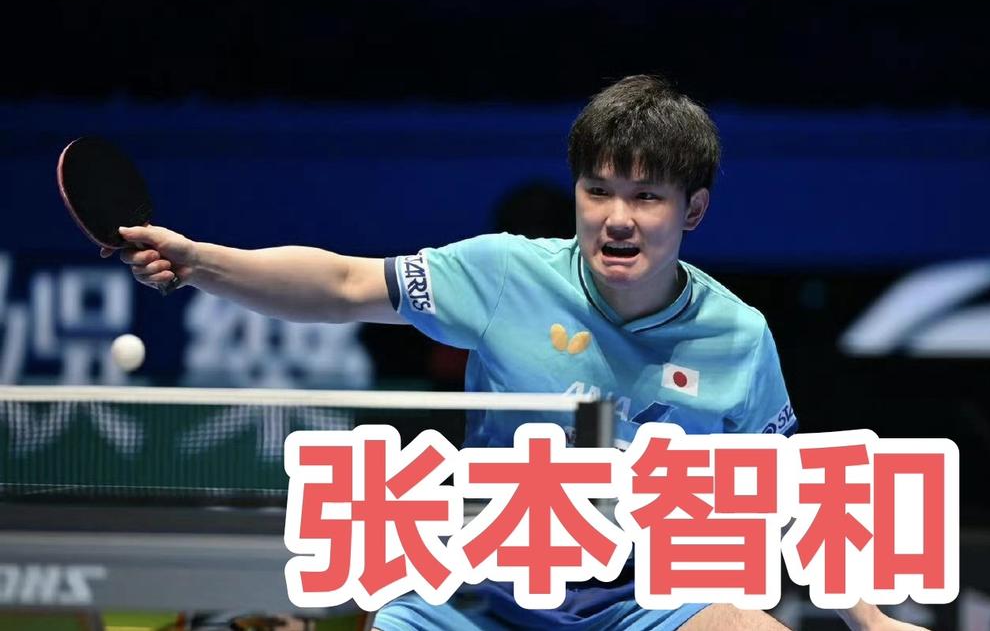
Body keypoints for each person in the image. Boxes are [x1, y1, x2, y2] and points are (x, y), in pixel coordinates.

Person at [106, 75, 925, 631]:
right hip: (485, 595)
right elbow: (345, 282)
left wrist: (871, 620)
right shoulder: (503, 274)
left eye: (646, 196)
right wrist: (201, 261)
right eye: (598, 189)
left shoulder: (737, 337)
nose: (616, 217)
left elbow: (795, 492)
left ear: (694, 209)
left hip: (644, 602)